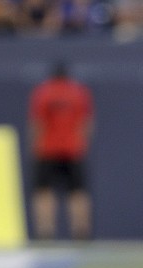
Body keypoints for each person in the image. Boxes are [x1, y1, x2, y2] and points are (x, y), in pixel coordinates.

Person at [29, 60, 94, 242]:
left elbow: (37, 124)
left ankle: (45, 231)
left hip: (47, 149)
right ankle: (81, 230)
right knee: (77, 192)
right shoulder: (78, 93)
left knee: (43, 191)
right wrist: (81, 144)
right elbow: (86, 124)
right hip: (73, 149)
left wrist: (35, 146)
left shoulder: (43, 92)